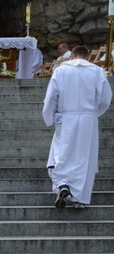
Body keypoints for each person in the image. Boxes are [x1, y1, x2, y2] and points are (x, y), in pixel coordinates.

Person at [43, 45, 112, 209]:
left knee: (63, 152)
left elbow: (52, 96)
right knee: (84, 156)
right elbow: (105, 99)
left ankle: (63, 184)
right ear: (87, 57)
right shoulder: (97, 71)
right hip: (88, 118)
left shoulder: (61, 70)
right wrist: (94, 113)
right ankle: (79, 197)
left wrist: (49, 116)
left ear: (71, 57)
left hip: (66, 117)